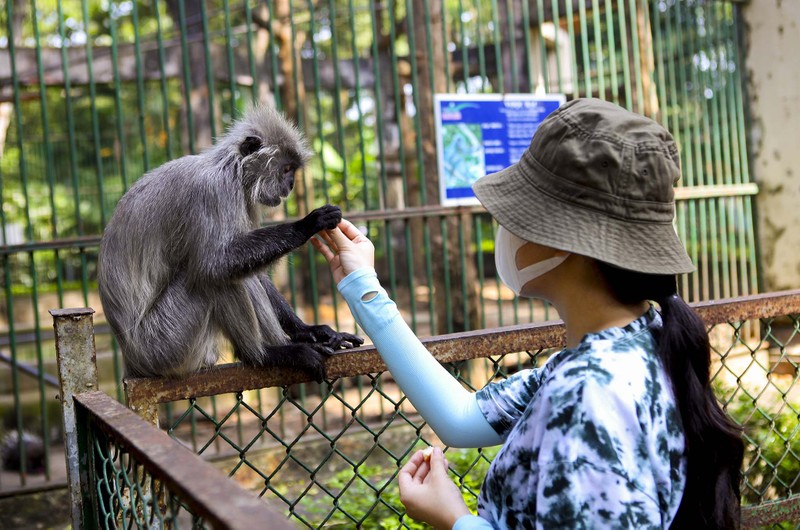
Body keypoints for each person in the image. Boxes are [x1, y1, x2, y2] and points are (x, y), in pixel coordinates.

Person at [312, 98, 744, 529]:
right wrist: (363, 285)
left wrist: (456, 520)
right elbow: (461, 419)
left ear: (561, 240)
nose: (503, 225)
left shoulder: (589, 392)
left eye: (515, 211)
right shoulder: (634, 340)